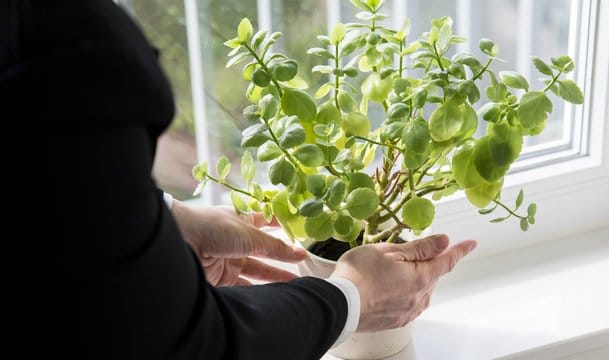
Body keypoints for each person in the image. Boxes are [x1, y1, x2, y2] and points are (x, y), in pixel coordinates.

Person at [1, 1, 477, 359]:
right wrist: (351, 298)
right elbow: (189, 344)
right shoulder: (62, 50)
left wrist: (165, 222)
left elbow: (46, 197)